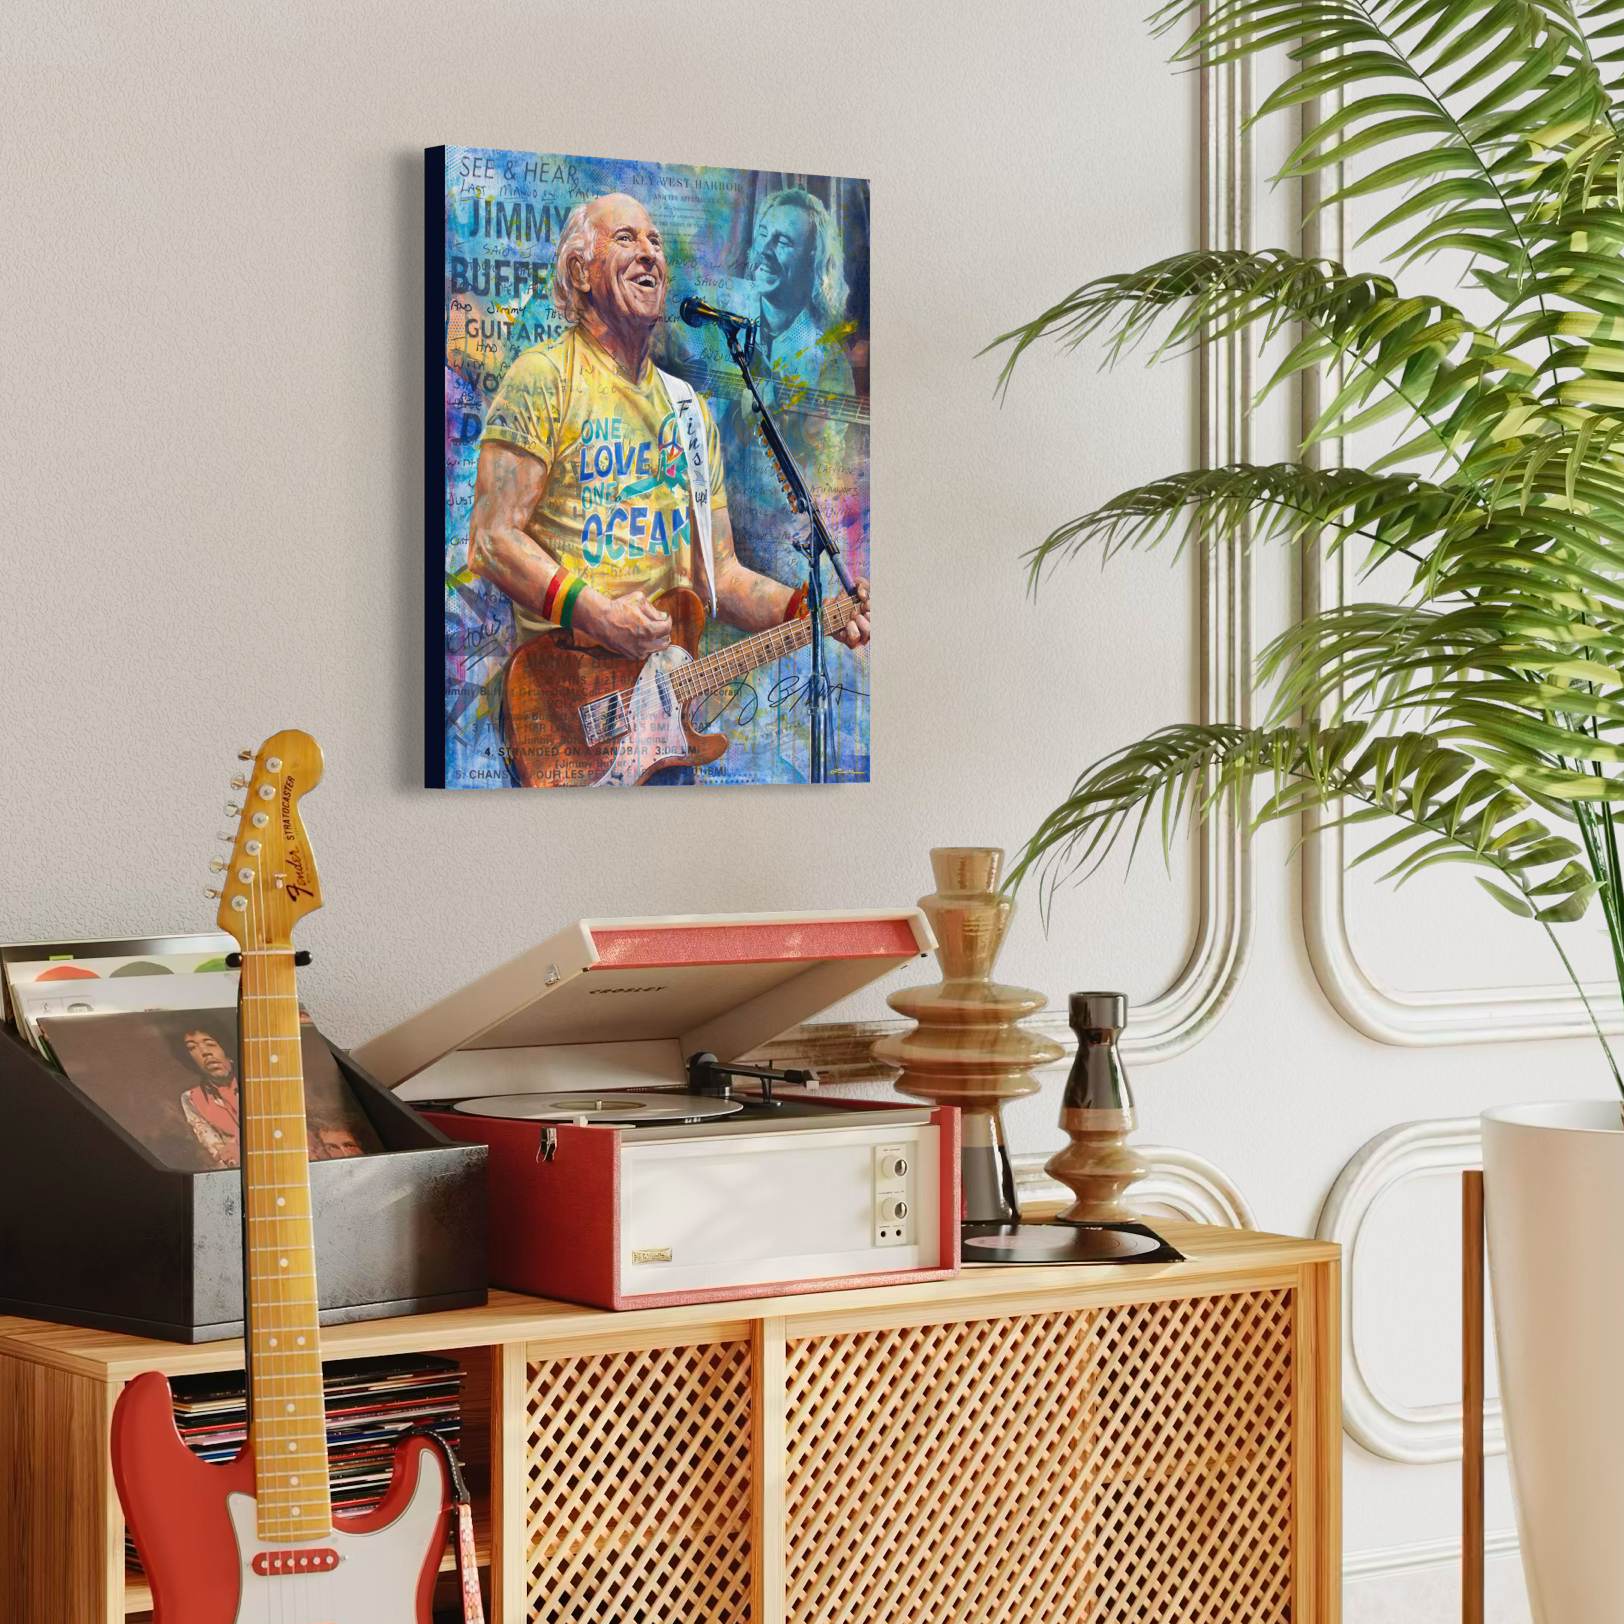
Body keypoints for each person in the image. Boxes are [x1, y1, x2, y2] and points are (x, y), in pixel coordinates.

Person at [465, 191, 870, 775]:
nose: (649, 253)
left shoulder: (689, 412)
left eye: (655, 240)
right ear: (580, 271)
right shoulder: (543, 377)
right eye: (626, 239)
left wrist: (813, 612)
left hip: (663, 721)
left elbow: (722, 577)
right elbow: (491, 539)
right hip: (565, 708)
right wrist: (601, 615)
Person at [175, 1025, 240, 1168]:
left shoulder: (258, 1080)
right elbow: (218, 1153)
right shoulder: (191, 1098)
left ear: (227, 1051)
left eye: (210, 1043)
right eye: (192, 1048)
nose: (205, 1052)